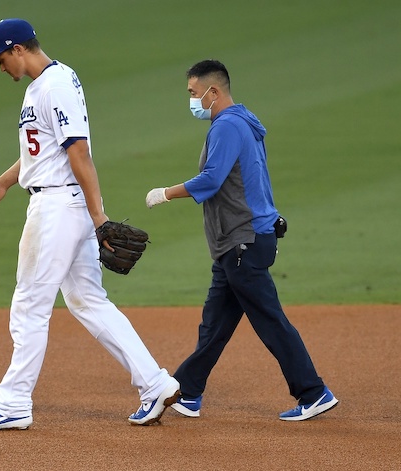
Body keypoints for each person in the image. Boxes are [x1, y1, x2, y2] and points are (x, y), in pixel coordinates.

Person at [0, 18, 179, 431]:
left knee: (29, 306)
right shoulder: (46, 85)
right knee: (88, 300)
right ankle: (155, 383)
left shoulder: (56, 85)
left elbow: (78, 152)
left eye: (0, 58)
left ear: (18, 49)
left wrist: (101, 219)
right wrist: (5, 183)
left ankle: (13, 404)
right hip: (65, 204)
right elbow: (42, 153)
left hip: (59, 208)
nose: (0, 67)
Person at [145, 59, 338, 421]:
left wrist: (165, 193)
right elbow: (253, 180)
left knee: (269, 320)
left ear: (212, 92)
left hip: (242, 242)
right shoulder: (243, 123)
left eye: (193, 93)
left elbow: (211, 179)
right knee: (215, 323)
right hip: (240, 241)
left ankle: (313, 392)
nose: (191, 100)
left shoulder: (228, 126)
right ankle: (188, 392)